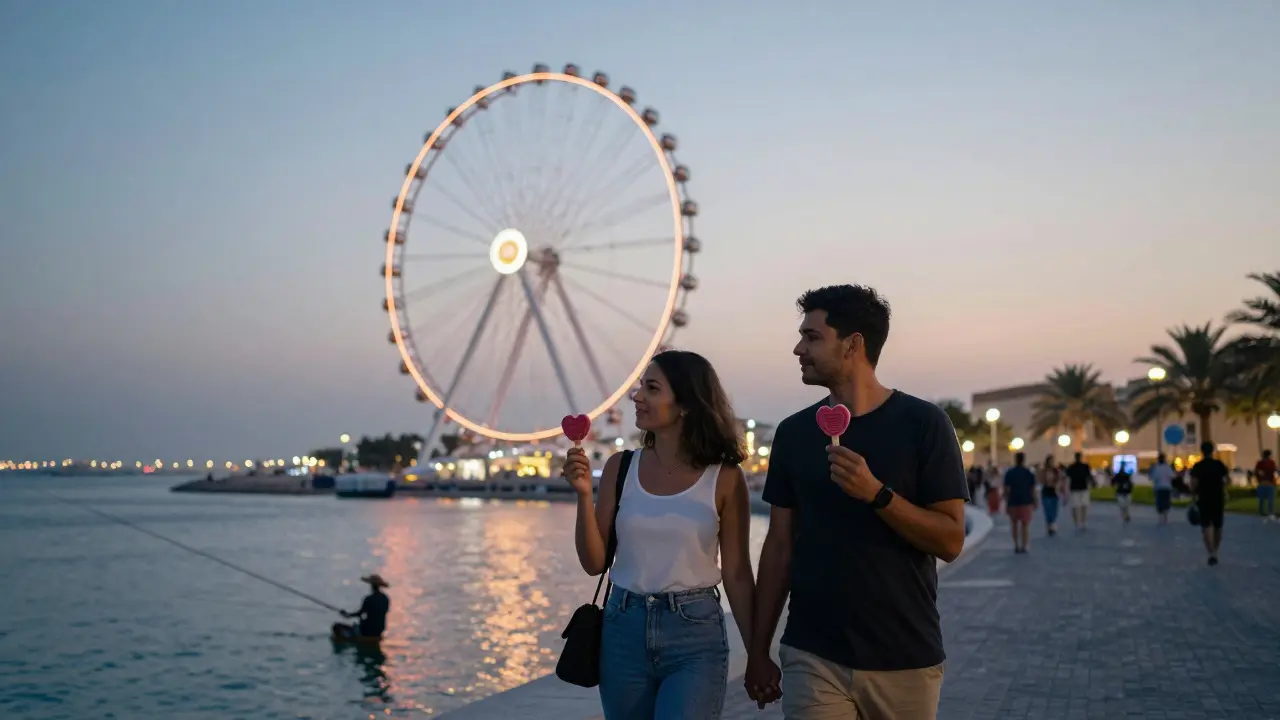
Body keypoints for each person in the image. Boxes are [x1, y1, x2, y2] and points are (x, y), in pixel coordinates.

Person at [746, 285, 968, 719]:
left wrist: (877, 494)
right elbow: (778, 546)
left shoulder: (924, 424)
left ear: (853, 344)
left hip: (904, 656)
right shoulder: (793, 434)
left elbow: (950, 540)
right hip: (812, 653)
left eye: (812, 337)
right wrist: (758, 649)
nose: (798, 348)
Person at [562, 349, 754, 719]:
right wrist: (584, 495)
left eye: (651, 388)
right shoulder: (621, 467)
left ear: (684, 404)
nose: (637, 397)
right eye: (639, 387)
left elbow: (738, 573)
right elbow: (594, 563)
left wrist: (757, 653)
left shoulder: (725, 478)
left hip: (694, 634)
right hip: (622, 629)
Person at [1190, 441, 1229, 566]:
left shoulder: (1198, 466)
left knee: (1206, 526)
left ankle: (1211, 552)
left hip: (1203, 497)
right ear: (1213, 451)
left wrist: (1193, 496)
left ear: (1202, 451)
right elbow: (1227, 480)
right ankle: (1215, 551)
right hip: (1217, 497)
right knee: (1218, 526)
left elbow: (1194, 483)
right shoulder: (1219, 465)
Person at [333, 574, 390, 639]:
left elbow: (360, 613)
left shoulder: (368, 599)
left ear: (371, 585)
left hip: (366, 630)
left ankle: (350, 637)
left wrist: (347, 614)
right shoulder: (385, 598)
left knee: (336, 626)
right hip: (379, 630)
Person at [1003, 452, 1038, 553]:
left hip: (1013, 501)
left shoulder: (1010, 473)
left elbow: (1006, 489)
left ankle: (1016, 544)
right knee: (1025, 524)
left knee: (1014, 524)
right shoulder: (1029, 473)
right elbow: (1033, 489)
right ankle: (1025, 545)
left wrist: (1006, 500)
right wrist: (1035, 500)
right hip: (1026, 501)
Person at [1065, 452, 1092, 531]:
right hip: (1079, 488)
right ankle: (1080, 522)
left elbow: (1068, 478)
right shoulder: (1083, 467)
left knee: (1079, 506)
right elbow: (1088, 477)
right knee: (1080, 506)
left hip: (1078, 488)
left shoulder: (1072, 467)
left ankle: (1079, 522)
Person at [1040, 456, 1063, 536]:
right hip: (1046, 492)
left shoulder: (1056, 471)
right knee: (1047, 510)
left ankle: (1052, 524)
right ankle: (1049, 525)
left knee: (1054, 510)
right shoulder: (1044, 471)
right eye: (1050, 461)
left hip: (1054, 492)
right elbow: (1040, 480)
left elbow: (1060, 480)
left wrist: (1057, 486)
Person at [1149, 453, 1175, 525]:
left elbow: (1153, 478)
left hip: (1159, 487)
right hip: (1167, 487)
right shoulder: (1167, 467)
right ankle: (1165, 517)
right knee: (1166, 502)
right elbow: (1171, 476)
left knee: (1160, 503)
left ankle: (1161, 518)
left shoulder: (1156, 468)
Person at [1255, 449, 1277, 522]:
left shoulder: (1260, 463)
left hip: (1262, 483)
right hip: (1269, 483)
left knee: (1262, 499)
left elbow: (1257, 472)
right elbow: (1274, 471)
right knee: (1270, 499)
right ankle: (1270, 513)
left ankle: (1262, 512)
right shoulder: (1271, 463)